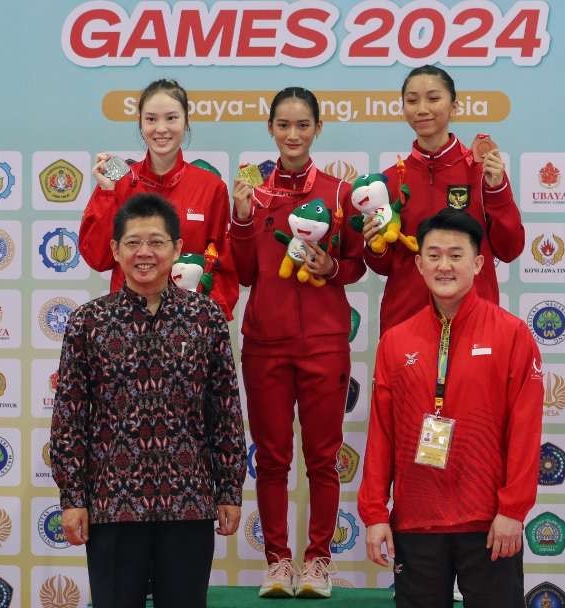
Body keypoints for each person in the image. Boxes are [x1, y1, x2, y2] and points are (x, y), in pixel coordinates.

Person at [50, 193, 246, 608]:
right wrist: (72, 499)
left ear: (176, 248)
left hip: (188, 502)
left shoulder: (205, 318)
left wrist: (229, 490)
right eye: (133, 242)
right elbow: (69, 418)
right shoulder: (89, 322)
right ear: (115, 250)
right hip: (112, 504)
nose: (145, 253)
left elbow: (225, 411)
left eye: (156, 242)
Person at [357, 209, 544, 608]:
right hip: (417, 521)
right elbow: (382, 434)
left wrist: (513, 510)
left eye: (456, 255)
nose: (445, 265)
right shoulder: (396, 341)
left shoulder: (511, 334)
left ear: (477, 264)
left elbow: (525, 430)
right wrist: (375, 513)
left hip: (489, 522)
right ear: (419, 264)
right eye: (435, 255)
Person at [229, 87, 366, 599]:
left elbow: (356, 263)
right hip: (265, 343)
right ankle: (278, 562)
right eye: (283, 125)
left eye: (302, 125)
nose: (292, 134)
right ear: (270, 129)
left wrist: (331, 267)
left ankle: (318, 561)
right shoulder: (253, 193)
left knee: (323, 458)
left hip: (324, 343)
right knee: (270, 458)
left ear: (317, 130)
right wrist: (241, 219)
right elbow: (243, 273)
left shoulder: (338, 193)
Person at [365, 65, 525, 333]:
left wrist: (497, 190)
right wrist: (375, 246)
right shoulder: (390, 181)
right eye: (412, 100)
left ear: (455, 106)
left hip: (474, 325)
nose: (422, 109)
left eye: (433, 98)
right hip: (406, 324)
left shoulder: (482, 170)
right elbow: (382, 266)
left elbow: (510, 249)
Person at [79, 78, 238, 318]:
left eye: (171, 118)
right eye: (151, 119)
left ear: (186, 122)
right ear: (140, 123)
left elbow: (222, 264)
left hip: (188, 326)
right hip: (126, 323)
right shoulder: (119, 180)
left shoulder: (211, 187)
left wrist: (208, 319)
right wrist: (107, 194)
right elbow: (98, 258)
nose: (161, 129)